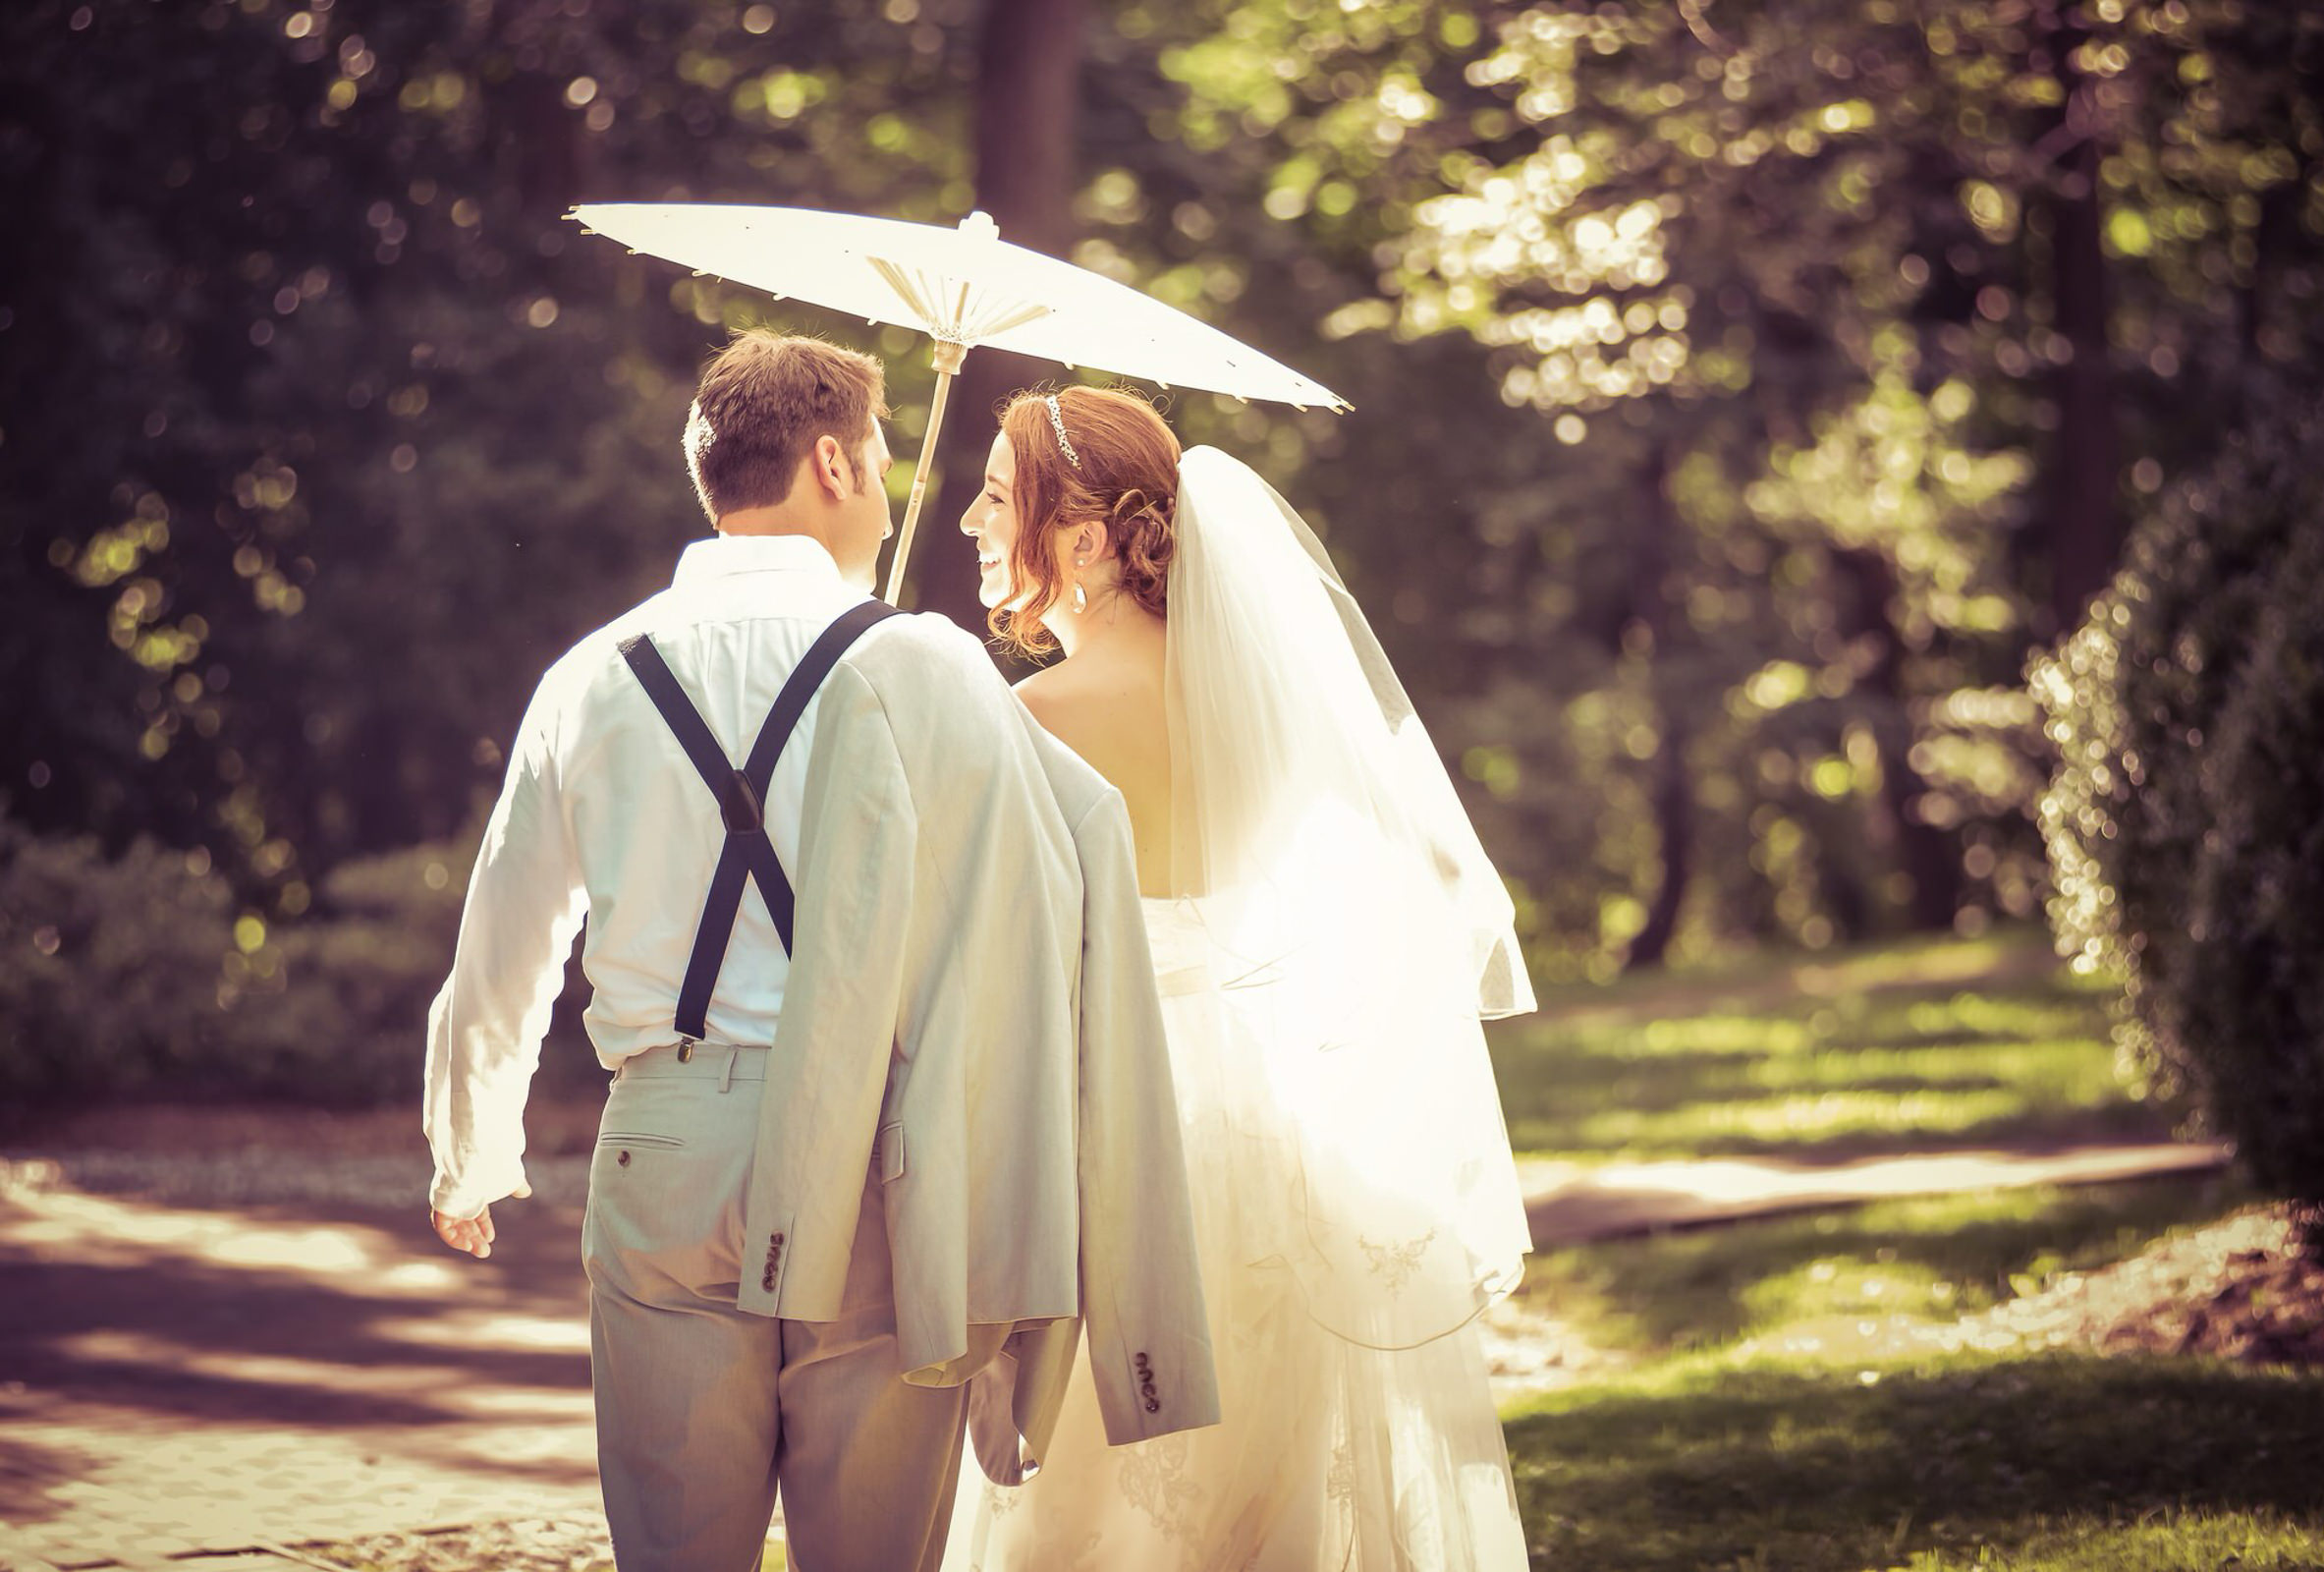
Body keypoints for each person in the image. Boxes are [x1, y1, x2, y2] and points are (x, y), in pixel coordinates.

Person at [421, 331, 1215, 1572]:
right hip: (875, 1159)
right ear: (835, 462)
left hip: (668, 1145)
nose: (897, 486)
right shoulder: (927, 665)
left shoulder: (590, 675)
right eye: (889, 456)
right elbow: (1032, 901)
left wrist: (471, 1150)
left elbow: (505, 942)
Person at [947, 385, 1538, 1570]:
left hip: (1105, 1147)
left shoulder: (1026, 719)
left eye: (997, 496)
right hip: (1270, 1146)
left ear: (1081, 537)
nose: (966, 519)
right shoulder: (1264, 708)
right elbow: (1419, 884)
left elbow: (993, 980)